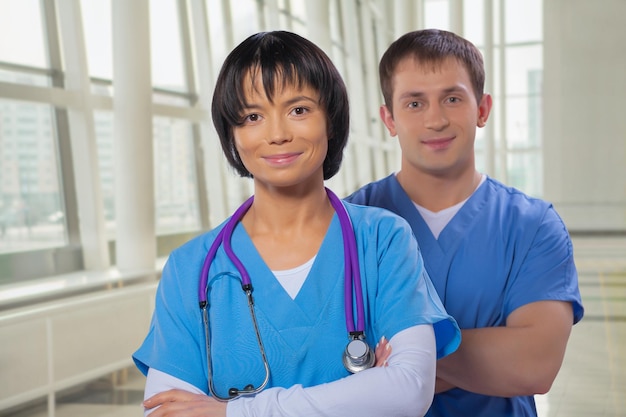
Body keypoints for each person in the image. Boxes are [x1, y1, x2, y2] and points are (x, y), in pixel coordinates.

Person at [133, 30, 461, 417]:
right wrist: (361, 391)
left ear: (331, 121)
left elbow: (409, 391)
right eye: (253, 116)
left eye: (299, 110)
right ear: (232, 135)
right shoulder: (191, 269)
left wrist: (232, 411)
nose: (277, 134)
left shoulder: (382, 240)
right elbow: (166, 412)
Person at [346, 29, 584, 416]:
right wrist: (490, 354)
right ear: (389, 118)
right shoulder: (351, 222)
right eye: (414, 103)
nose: (435, 119)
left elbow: (535, 365)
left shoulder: (533, 226)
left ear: (482, 109)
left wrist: (398, 359)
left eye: (452, 98)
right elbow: (326, 361)